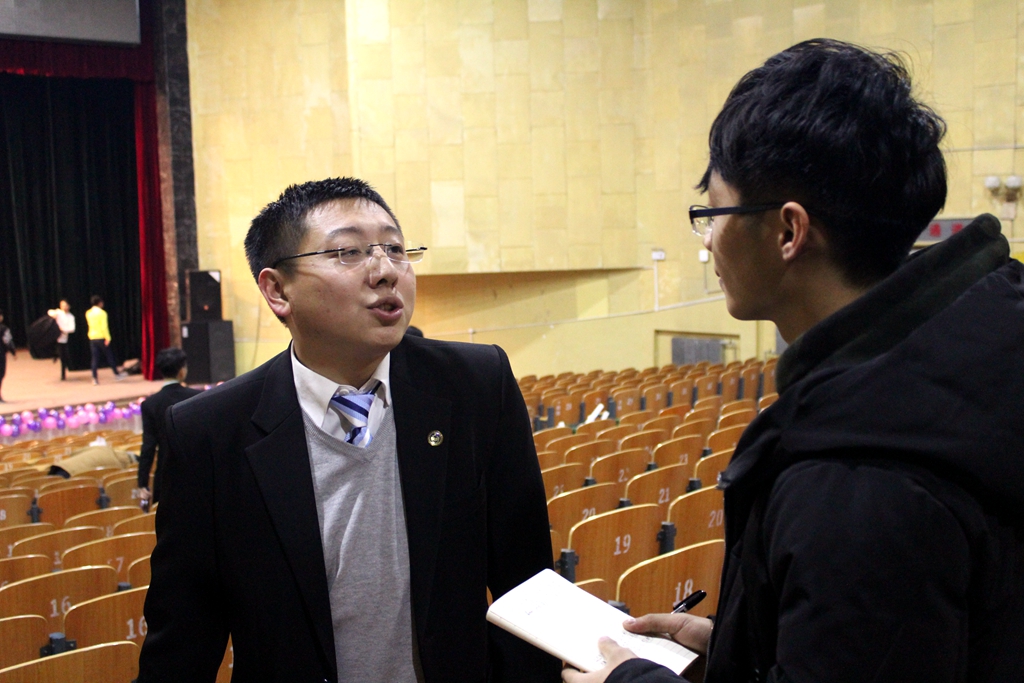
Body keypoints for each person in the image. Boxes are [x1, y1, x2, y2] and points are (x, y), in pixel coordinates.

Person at [567, 39, 1024, 683]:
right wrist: (744, 645)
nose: (708, 240)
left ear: (788, 231)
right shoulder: (976, 351)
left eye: (713, 212)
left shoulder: (859, 477)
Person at [138, 177, 559, 683]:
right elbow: (183, 640)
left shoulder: (477, 384)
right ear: (277, 290)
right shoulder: (207, 431)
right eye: (348, 252)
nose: (386, 271)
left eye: (396, 249)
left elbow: (529, 586)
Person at [135, 347, 201, 508]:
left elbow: (148, 446)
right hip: (196, 472)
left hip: (166, 474)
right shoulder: (197, 397)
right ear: (182, 371)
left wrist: (142, 482)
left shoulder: (150, 404)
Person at [85, 295, 125, 385]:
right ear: (99, 303)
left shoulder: (88, 313)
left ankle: (94, 378)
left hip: (92, 337)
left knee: (95, 359)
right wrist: (108, 338)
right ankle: (116, 374)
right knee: (109, 356)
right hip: (101, 337)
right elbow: (104, 327)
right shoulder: (102, 313)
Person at [47, 299, 76, 380]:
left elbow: (72, 329)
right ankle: (55, 354)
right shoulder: (59, 313)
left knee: (64, 357)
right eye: (62, 305)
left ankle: (63, 374)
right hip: (55, 337)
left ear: (69, 306)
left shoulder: (71, 317)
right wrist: (54, 314)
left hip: (63, 339)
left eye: (65, 305)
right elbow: (49, 312)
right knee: (54, 347)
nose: (64, 307)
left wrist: (63, 330)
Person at [0, 309, 15, 402]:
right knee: (0, 373)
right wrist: (13, 351)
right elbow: (8, 340)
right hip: (0, 354)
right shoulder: (3, 329)